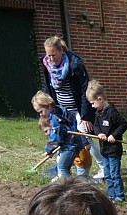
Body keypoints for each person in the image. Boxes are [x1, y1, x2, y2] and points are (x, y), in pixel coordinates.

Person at [41, 36, 104, 179]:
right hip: (61, 109)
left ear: (61, 50)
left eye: (54, 55)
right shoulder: (47, 64)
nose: (51, 59)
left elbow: (84, 91)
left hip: (77, 109)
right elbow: (49, 87)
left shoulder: (75, 64)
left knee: (85, 138)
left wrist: (85, 115)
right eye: (48, 55)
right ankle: (61, 169)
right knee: (62, 137)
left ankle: (104, 168)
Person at [86, 80, 127, 204]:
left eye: (93, 103)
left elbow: (123, 124)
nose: (92, 106)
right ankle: (111, 195)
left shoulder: (112, 112)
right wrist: (99, 133)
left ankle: (119, 196)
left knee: (115, 174)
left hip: (114, 150)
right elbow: (95, 125)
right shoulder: (98, 113)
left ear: (100, 98)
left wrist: (114, 135)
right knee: (108, 174)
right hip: (104, 150)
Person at [31, 91, 85, 179]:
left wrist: (49, 149)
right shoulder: (60, 110)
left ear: (48, 106)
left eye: (41, 111)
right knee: (65, 166)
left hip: (71, 146)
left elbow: (55, 137)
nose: (41, 114)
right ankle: (69, 186)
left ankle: (67, 187)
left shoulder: (56, 119)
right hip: (71, 143)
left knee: (62, 167)